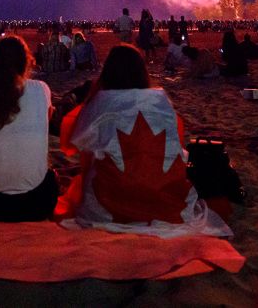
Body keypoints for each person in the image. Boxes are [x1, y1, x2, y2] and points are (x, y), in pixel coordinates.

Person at [58, 44, 229, 236]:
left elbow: (80, 142)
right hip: (163, 196)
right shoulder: (160, 99)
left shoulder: (100, 101)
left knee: (94, 156)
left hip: (110, 202)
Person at [0, 37, 58, 221]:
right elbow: (47, 120)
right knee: (52, 177)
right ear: (24, 61)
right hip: (37, 204)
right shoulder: (41, 89)